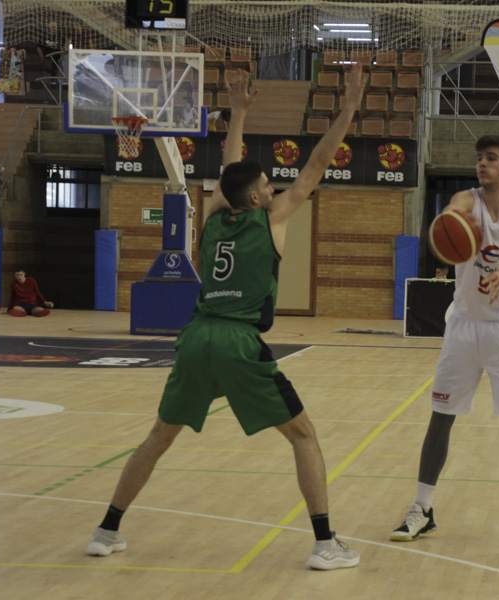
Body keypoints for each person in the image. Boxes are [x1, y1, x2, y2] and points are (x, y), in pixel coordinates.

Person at [85, 68, 367, 570]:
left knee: (158, 437)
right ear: (258, 198)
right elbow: (318, 163)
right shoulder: (271, 218)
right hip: (239, 341)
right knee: (304, 436)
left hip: (195, 337)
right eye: (266, 184)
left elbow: (229, 169)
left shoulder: (214, 216)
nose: (271, 185)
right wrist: (348, 110)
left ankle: (106, 531)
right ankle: (325, 544)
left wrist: (239, 113)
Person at [389, 134, 499, 550]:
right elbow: (454, 211)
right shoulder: (467, 201)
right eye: (479, 158)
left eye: (491, 159)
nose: (482, 164)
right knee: (440, 416)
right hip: (463, 326)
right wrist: (450, 221)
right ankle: (422, 509)